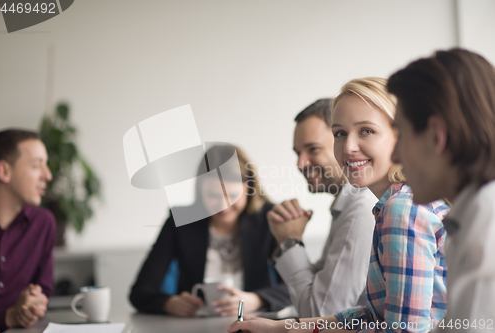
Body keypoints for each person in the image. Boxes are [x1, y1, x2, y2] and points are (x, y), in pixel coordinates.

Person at [228, 77, 449, 333]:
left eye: (366, 130)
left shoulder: (402, 209)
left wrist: (289, 243)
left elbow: (403, 330)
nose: (348, 147)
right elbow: (373, 315)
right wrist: (282, 328)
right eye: (340, 134)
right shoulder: (393, 204)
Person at [388, 48, 495, 332]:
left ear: (436, 135)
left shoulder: (487, 226)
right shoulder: (472, 214)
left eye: (401, 134)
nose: (395, 156)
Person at [130, 145, 291, 317]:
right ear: (200, 191)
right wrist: (170, 303)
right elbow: (140, 292)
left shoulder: (270, 219)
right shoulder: (181, 222)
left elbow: (297, 287)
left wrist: (257, 300)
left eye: (233, 195)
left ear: (249, 189)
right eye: (213, 195)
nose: (223, 206)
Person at [266, 99, 377, 317]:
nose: (300, 164)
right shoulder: (346, 206)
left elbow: (321, 317)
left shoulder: (362, 210)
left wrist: (290, 243)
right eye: (298, 153)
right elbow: (320, 287)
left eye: (313, 149)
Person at [0, 129, 55, 331]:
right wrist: (9, 317)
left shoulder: (43, 223)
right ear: (4, 172)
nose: (47, 175)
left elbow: (44, 290)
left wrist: (35, 305)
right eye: (37, 165)